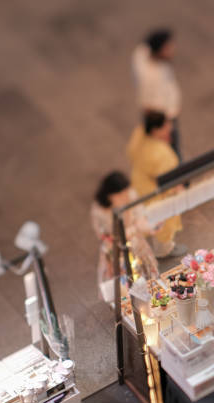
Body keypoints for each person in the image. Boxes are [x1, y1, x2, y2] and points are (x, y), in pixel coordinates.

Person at [91, 171, 157, 302]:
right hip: (115, 248)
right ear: (110, 196)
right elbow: (102, 234)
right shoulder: (99, 210)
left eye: (126, 192)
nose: (125, 196)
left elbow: (140, 217)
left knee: (146, 273)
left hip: (135, 242)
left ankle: (150, 296)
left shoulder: (130, 195)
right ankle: (126, 304)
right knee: (122, 282)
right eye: (120, 194)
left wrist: (150, 227)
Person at [127, 111, 186, 258]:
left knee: (147, 217)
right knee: (163, 224)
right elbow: (169, 181)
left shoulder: (139, 133)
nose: (170, 128)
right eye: (165, 126)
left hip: (139, 182)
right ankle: (164, 250)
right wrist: (179, 189)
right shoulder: (161, 153)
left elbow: (130, 152)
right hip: (157, 194)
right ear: (155, 130)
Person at [132, 28, 182, 161]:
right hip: (163, 118)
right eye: (167, 48)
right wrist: (165, 123)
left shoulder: (141, 55)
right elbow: (149, 106)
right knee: (172, 154)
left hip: (163, 118)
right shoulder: (150, 78)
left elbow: (141, 49)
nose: (172, 51)